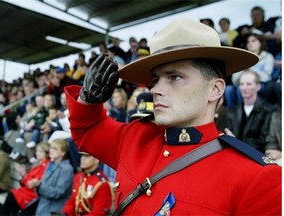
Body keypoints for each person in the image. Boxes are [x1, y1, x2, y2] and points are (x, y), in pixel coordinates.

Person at [65, 18, 281, 215]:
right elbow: (88, 131)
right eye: (155, 79)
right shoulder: (136, 138)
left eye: (175, 77)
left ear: (215, 89)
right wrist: (88, 100)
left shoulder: (256, 177)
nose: (156, 89)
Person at [225, 70, 274, 153]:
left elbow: (263, 141)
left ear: (258, 87)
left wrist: (237, 143)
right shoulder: (233, 110)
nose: (244, 88)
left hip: (256, 156)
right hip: (234, 153)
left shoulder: (268, 110)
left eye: (249, 84)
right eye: (242, 84)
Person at [0, 142, 50, 216]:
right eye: (37, 151)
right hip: (26, 192)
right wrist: (24, 175)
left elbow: (31, 184)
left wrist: (24, 174)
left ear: (47, 153)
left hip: (32, 195)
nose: (38, 153)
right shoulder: (37, 164)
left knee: (11, 197)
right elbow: (27, 181)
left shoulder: (46, 166)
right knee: (11, 198)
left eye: (41, 152)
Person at [31, 138, 74, 216]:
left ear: (63, 153)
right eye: (51, 147)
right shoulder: (50, 164)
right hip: (42, 207)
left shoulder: (67, 169)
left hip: (52, 210)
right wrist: (37, 186)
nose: (51, 150)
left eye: (55, 149)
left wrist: (39, 186)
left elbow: (58, 193)